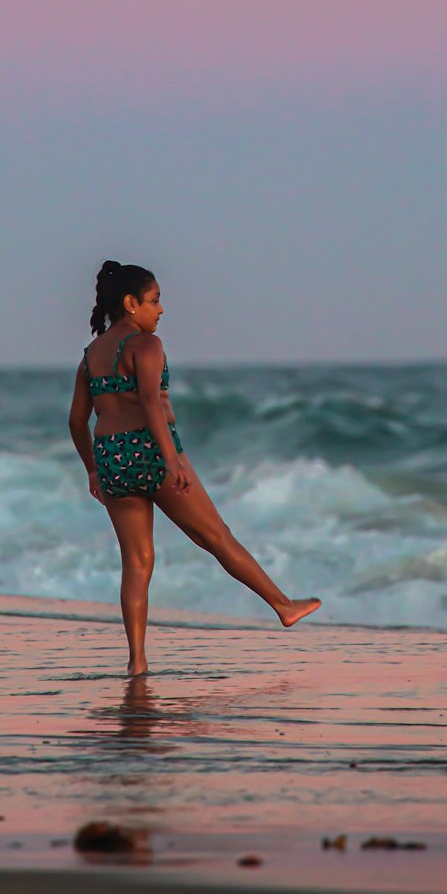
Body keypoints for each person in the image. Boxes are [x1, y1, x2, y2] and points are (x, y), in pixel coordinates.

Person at [68, 260, 321, 675]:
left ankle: (137, 661)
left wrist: (93, 470)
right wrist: (170, 459)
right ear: (131, 304)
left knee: (136, 562)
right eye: (155, 301)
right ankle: (283, 605)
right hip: (152, 451)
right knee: (217, 537)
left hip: (110, 455)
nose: (161, 310)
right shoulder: (146, 345)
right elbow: (150, 402)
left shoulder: (90, 355)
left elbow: (77, 421)